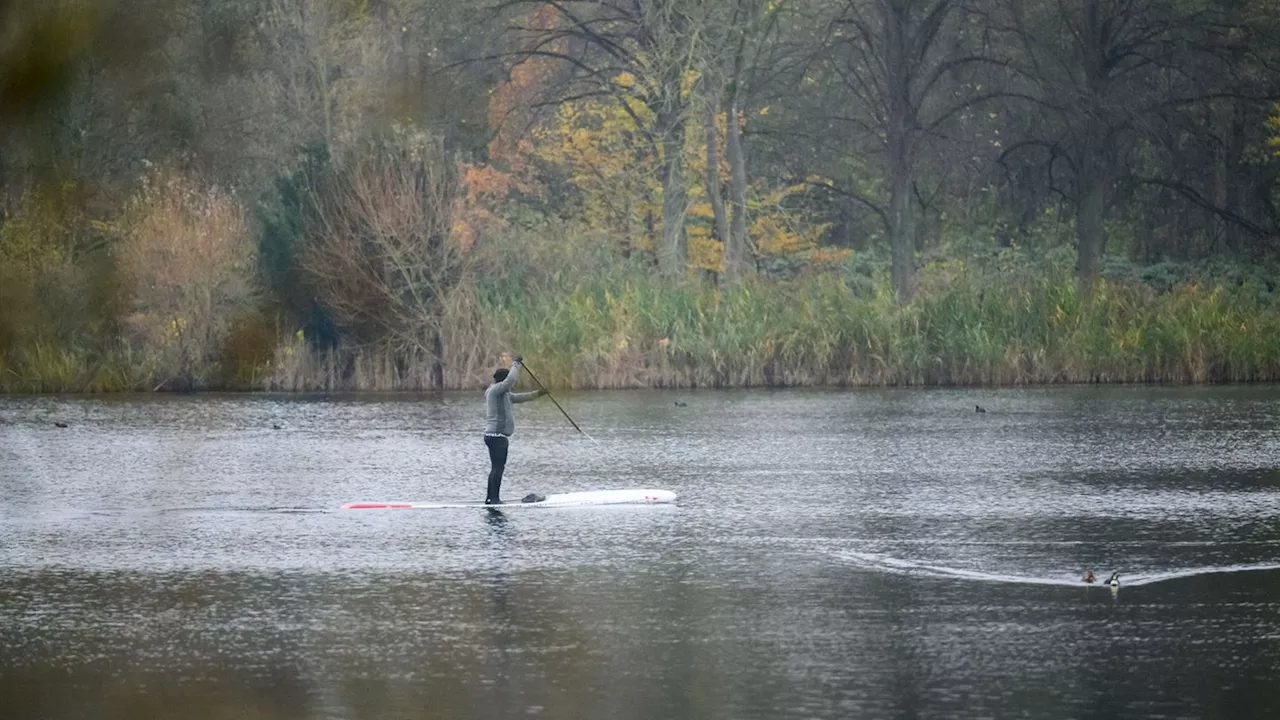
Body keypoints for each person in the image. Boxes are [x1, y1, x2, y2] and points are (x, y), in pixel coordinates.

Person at [483, 355, 547, 504]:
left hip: (494, 437)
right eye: (506, 383)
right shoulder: (495, 391)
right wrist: (516, 364)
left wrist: (539, 393)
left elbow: (521, 397)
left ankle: (490, 498)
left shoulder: (504, 395)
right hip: (497, 437)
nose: (510, 386)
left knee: (496, 468)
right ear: (501, 381)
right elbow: (510, 380)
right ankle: (495, 499)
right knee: (498, 468)